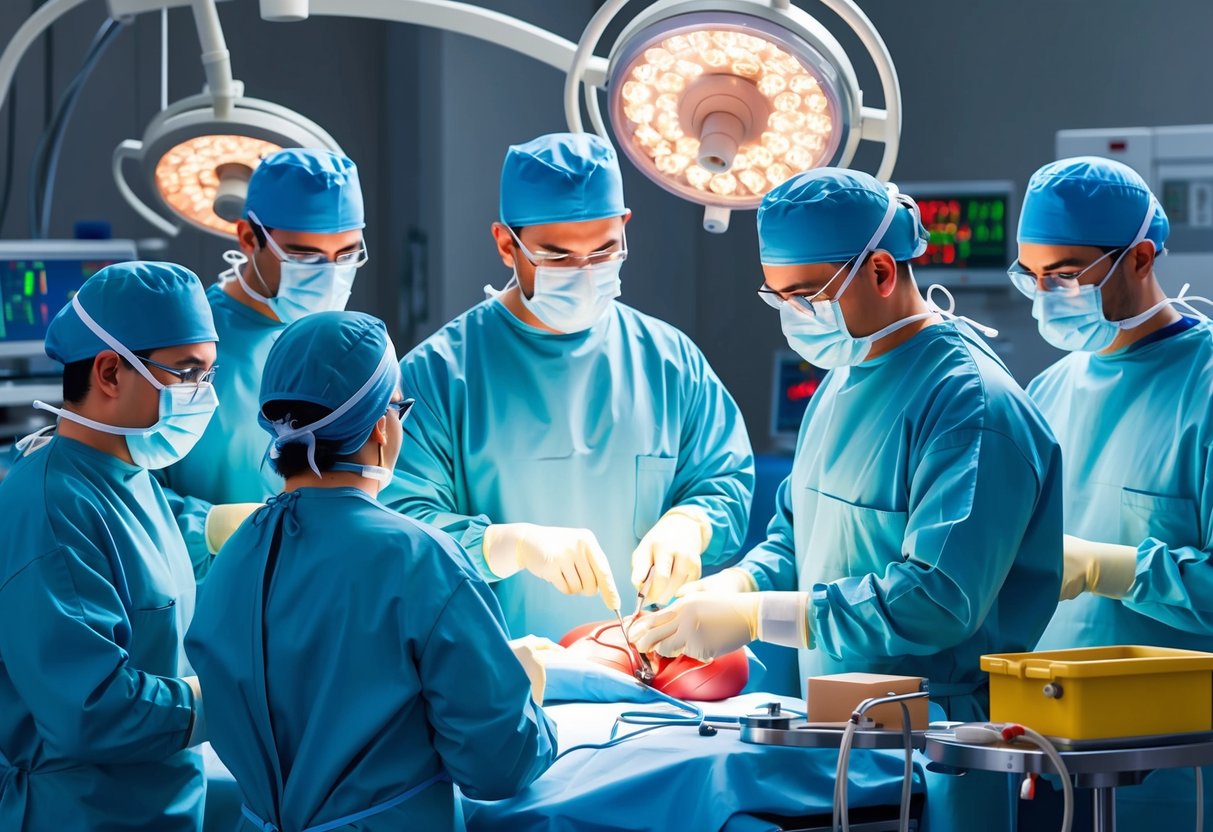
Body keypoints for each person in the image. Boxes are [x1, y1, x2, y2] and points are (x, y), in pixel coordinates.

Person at [630, 169, 1064, 830]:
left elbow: (936, 601)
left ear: (882, 271)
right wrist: (731, 584)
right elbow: (795, 536)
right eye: (776, 296)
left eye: (804, 294)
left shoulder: (970, 405)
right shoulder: (840, 383)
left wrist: (755, 616)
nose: (791, 315)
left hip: (938, 753)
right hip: (847, 746)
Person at [186, 311, 557, 831]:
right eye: (401, 410)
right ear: (383, 426)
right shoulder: (421, 560)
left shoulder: (237, 551)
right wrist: (527, 701)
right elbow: (498, 768)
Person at [385, 132, 754, 639]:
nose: (582, 274)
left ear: (625, 228)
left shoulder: (670, 362)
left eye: (603, 252)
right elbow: (398, 523)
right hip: (493, 680)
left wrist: (690, 524)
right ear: (504, 244)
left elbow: (724, 480)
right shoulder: (439, 375)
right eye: (557, 258)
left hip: (644, 671)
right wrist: (505, 544)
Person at [1012, 156, 1213, 830]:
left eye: (1065, 274)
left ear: (1140, 258)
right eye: (1032, 276)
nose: (1046, 294)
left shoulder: (1204, 389)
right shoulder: (1045, 392)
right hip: (1049, 749)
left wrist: (1112, 568)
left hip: (1178, 763)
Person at [0, 261, 218, 830]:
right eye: (189, 373)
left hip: (156, 802)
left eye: (211, 374)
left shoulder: (131, 475)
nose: (205, 395)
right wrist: (232, 699)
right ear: (110, 372)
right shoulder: (51, 506)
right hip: (81, 813)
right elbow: (90, 710)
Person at [158, 148, 369, 559]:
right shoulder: (187, 348)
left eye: (346, 255)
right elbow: (123, 489)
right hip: (211, 589)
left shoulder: (350, 347)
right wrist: (215, 528)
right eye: (304, 256)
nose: (330, 276)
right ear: (248, 238)